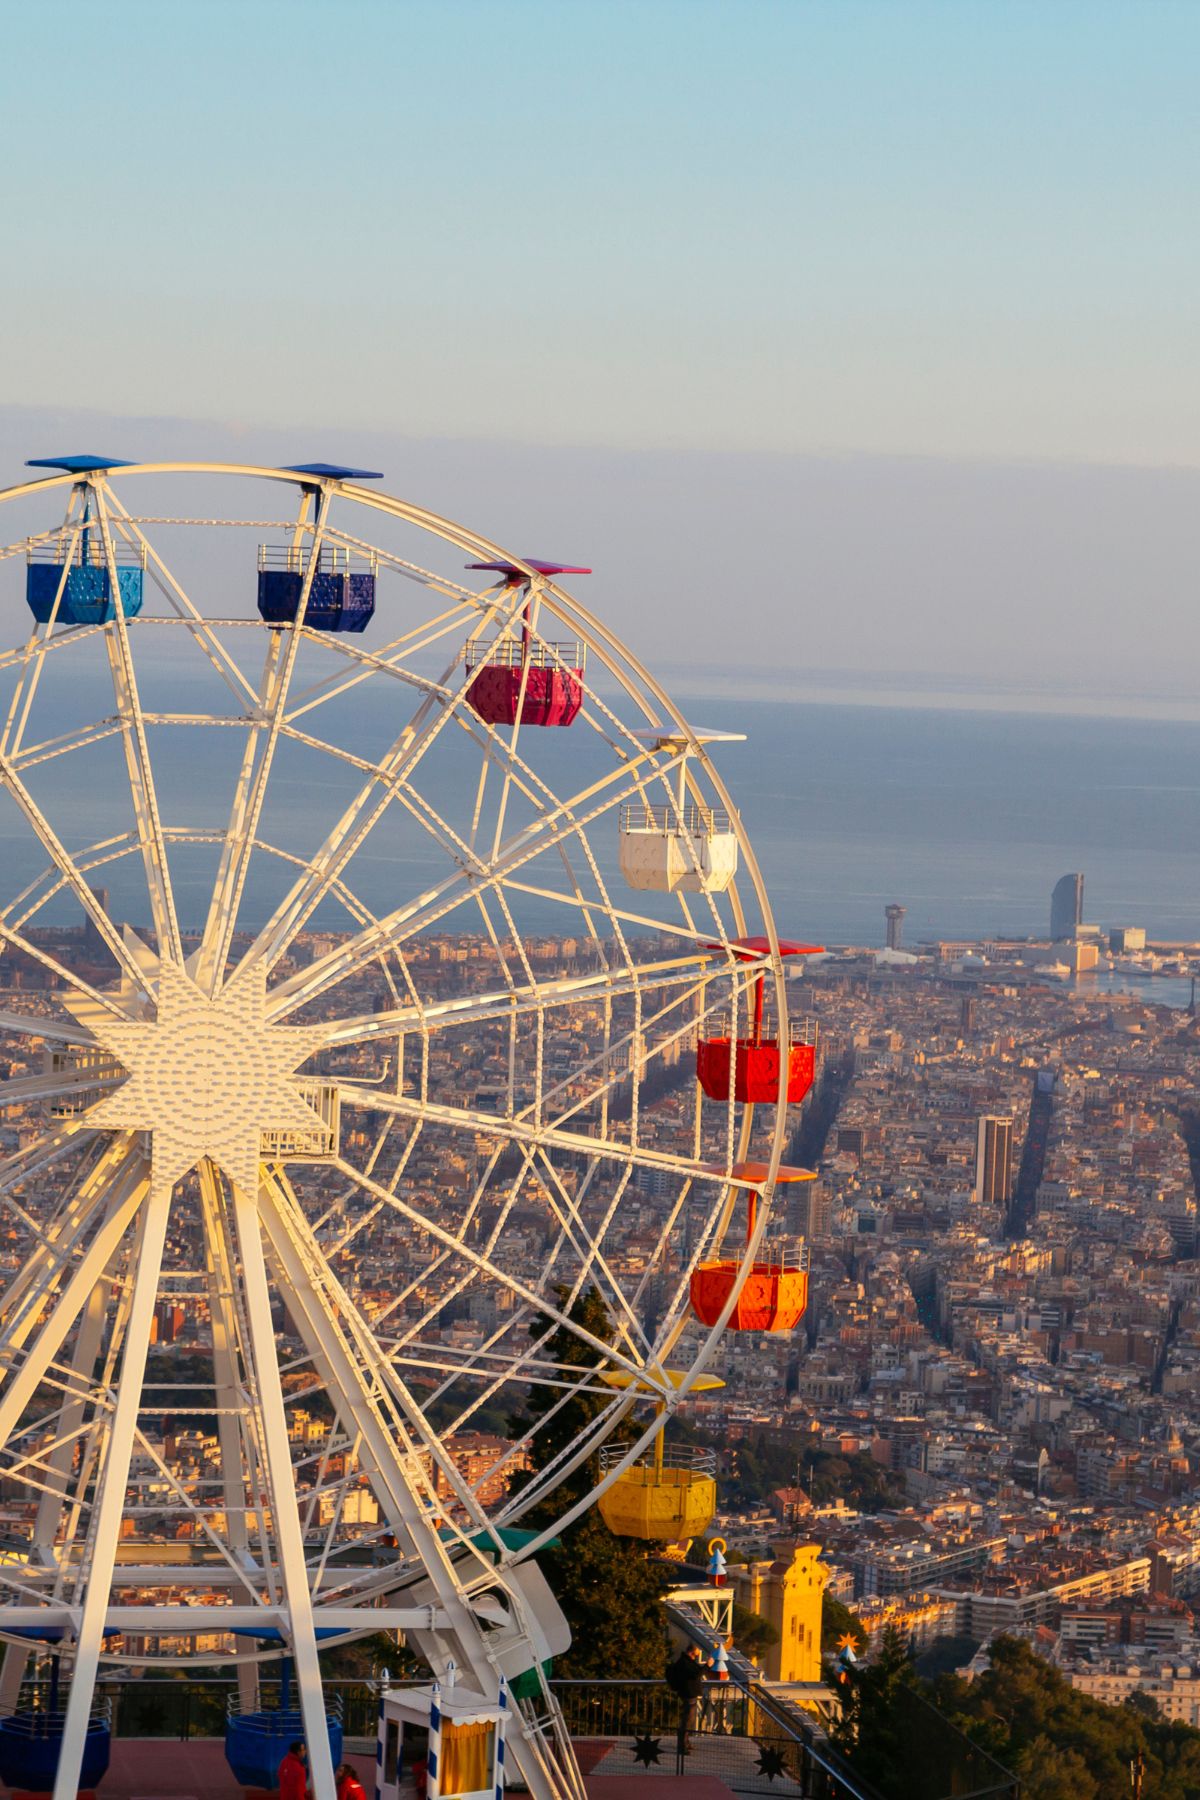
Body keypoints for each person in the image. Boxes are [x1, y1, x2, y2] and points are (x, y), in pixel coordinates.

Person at [665, 1642, 707, 1752]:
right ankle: (682, 1746)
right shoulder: (684, 1662)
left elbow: (697, 1671)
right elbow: (697, 1674)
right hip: (688, 1694)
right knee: (687, 1721)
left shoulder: (688, 1661)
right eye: (698, 1650)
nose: (699, 1652)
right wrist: (708, 1665)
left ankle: (686, 1743)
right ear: (692, 1651)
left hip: (689, 1694)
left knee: (689, 1721)